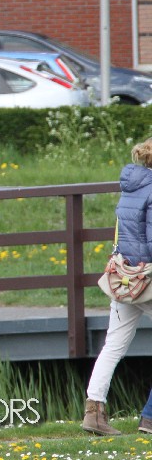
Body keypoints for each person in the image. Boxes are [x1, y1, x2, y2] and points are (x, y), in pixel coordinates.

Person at [82, 138, 152, 436]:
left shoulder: (131, 188)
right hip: (147, 279)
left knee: (113, 346)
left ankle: (94, 412)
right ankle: (149, 417)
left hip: (125, 279)